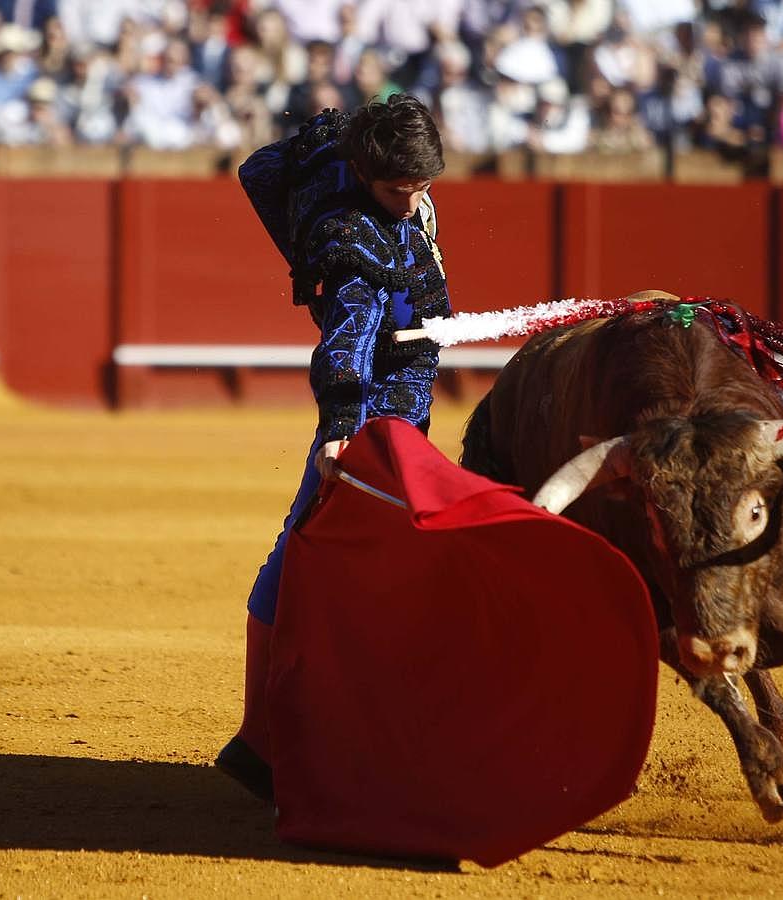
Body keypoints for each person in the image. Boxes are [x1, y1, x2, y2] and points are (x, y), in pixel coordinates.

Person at [215, 93, 451, 801]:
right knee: (338, 554)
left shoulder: (352, 184)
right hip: (378, 420)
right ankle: (275, 742)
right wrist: (345, 428)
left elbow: (258, 170)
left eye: (420, 188)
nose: (410, 205)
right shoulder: (353, 236)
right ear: (363, 172)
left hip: (395, 413)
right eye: (396, 191)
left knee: (328, 550)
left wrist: (333, 144)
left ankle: (271, 739)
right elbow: (345, 344)